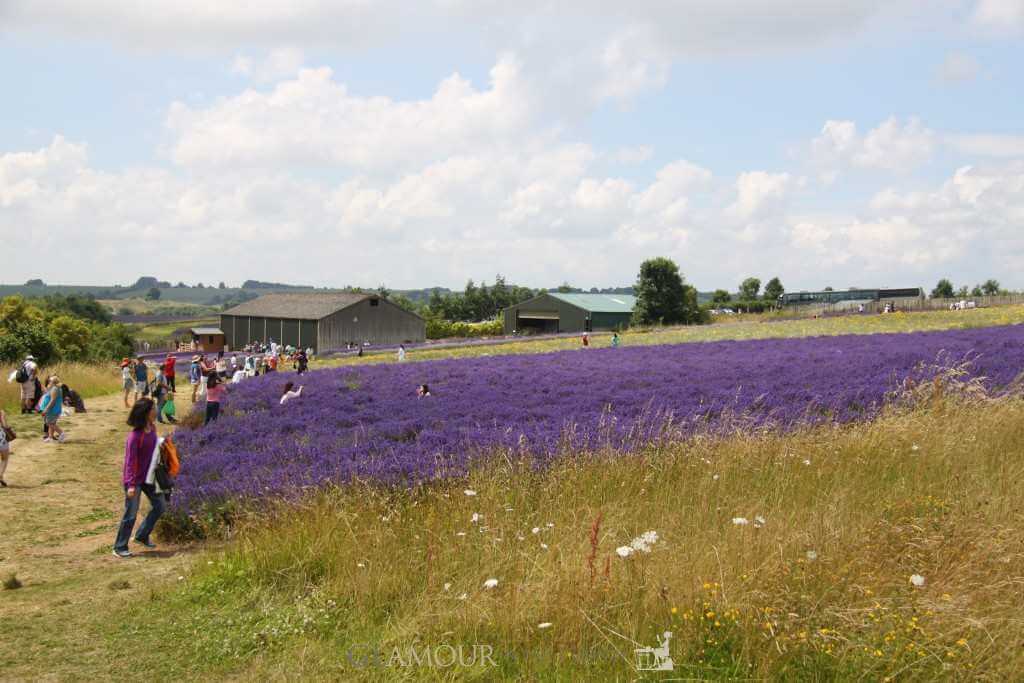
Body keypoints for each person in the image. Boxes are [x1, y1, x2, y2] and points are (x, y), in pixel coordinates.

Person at [113, 398, 165, 558]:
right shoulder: (135, 437)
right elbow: (130, 462)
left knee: (160, 506)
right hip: (134, 480)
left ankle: (142, 535)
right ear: (146, 413)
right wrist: (130, 485)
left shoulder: (153, 428)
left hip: (149, 477)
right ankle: (119, 547)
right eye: (154, 409)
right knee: (131, 514)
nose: (156, 411)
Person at [38, 375, 65, 443]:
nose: (49, 382)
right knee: (51, 422)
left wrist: (46, 409)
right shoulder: (55, 388)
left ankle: (61, 433)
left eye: (50, 381)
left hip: (52, 409)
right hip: (54, 409)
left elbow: (52, 401)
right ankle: (50, 437)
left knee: (49, 423)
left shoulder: (55, 389)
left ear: (53, 382)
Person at [0, 408, 11, 487]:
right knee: (4, 458)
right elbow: (4, 425)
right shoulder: (1, 412)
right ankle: (0, 475)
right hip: (1, 437)